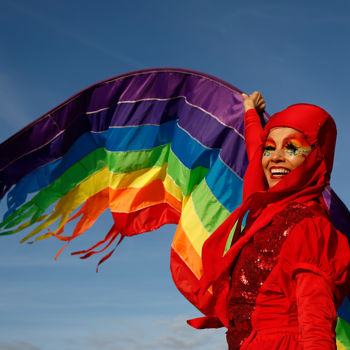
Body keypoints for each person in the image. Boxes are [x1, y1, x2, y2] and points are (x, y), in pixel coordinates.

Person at [196, 92, 350, 349]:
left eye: (292, 147)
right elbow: (257, 150)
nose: (275, 157)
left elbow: (317, 329)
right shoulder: (266, 212)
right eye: (271, 148)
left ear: (315, 157)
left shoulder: (309, 226)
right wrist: (250, 113)